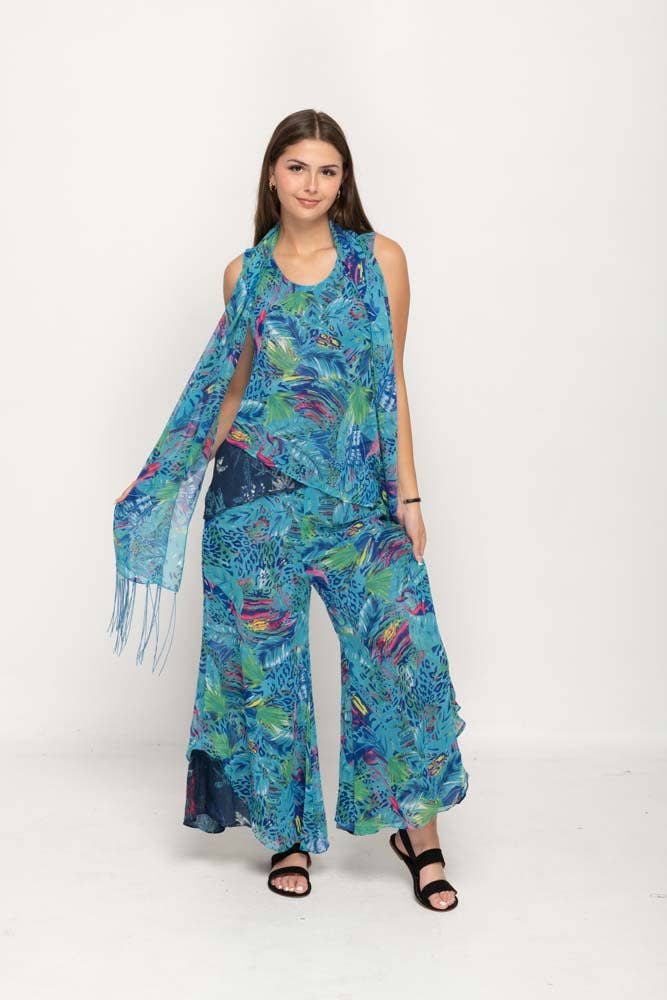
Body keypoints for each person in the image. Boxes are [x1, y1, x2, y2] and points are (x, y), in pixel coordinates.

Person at [111, 109, 469, 912]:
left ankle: (419, 834)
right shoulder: (244, 273)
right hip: (255, 501)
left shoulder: (378, 260)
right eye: (297, 167)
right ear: (272, 175)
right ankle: (286, 835)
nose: (312, 184)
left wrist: (408, 495)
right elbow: (234, 385)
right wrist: (173, 474)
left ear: (344, 183)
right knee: (267, 678)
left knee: (402, 658)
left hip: (356, 502)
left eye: (327, 171)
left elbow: (390, 382)